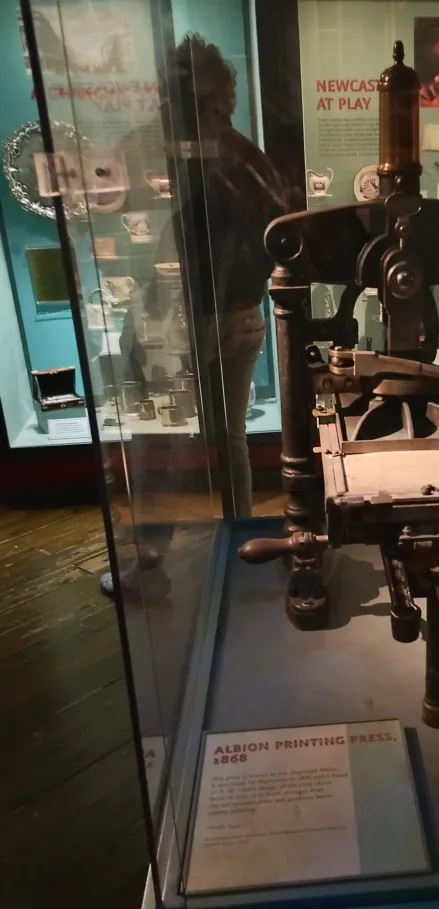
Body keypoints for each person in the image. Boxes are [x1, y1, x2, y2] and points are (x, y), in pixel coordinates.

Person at [101, 33, 291, 598]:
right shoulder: (238, 153)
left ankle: (160, 560)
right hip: (216, 314)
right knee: (204, 440)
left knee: (164, 443)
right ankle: (231, 548)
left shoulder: (170, 147)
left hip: (195, 316)